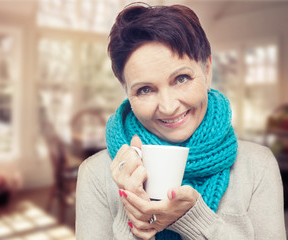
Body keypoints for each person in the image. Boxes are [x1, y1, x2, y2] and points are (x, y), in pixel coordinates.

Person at [75, 3, 286, 240]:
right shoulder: (95, 174)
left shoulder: (258, 166)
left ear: (207, 70)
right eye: (145, 90)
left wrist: (194, 219)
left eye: (181, 78)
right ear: (127, 93)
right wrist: (134, 213)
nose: (168, 106)